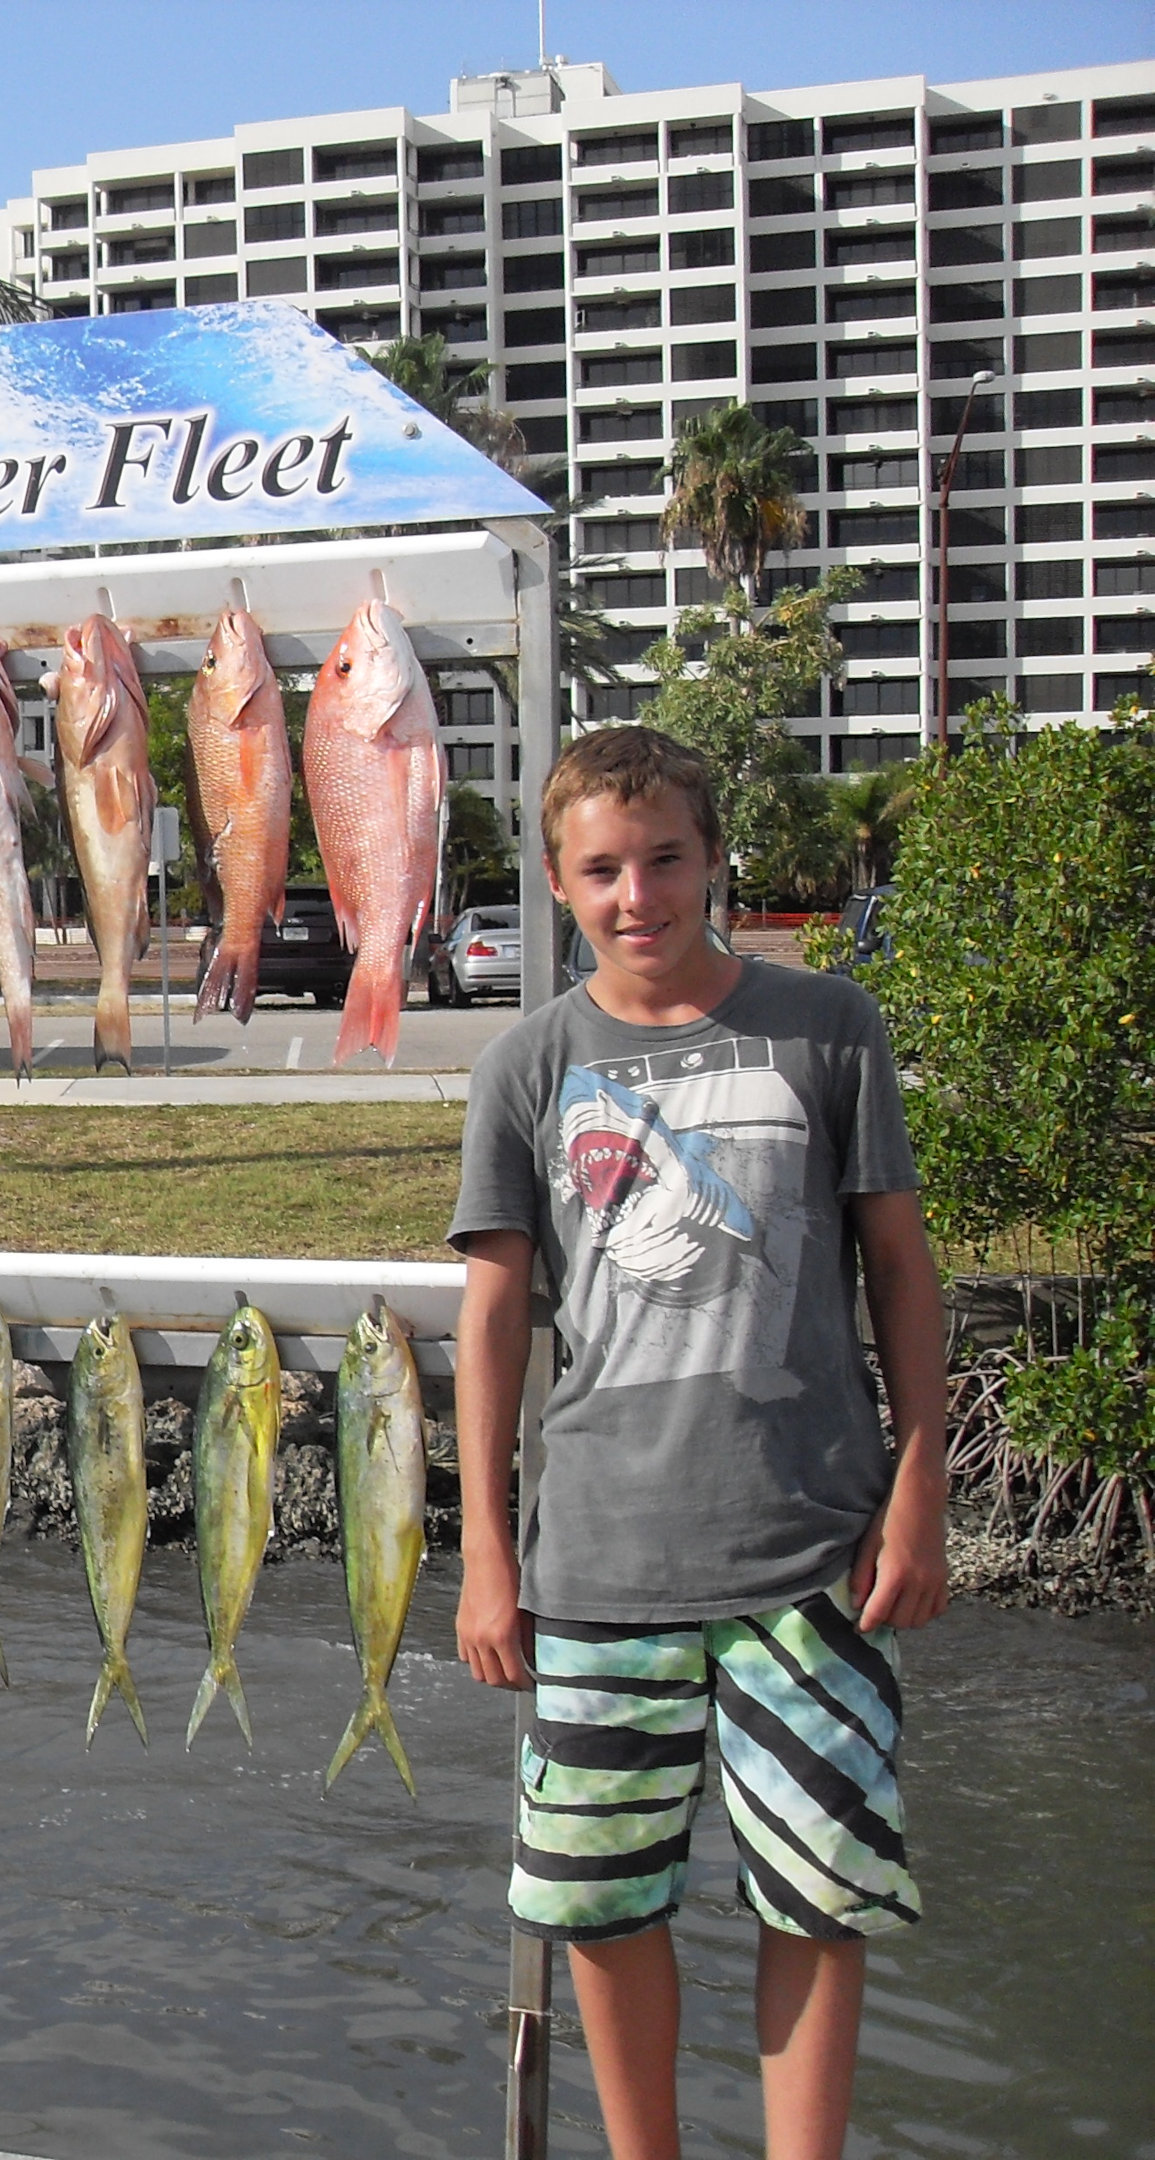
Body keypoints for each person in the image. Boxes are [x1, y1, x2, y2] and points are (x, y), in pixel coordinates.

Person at [450, 725, 948, 2160]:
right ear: (555, 881)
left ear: (715, 857)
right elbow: (494, 1324)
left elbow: (901, 1269)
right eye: (601, 868)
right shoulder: (527, 1066)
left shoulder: (829, 1027)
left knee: (821, 1894)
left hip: (814, 1554)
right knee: (599, 1900)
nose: (638, 895)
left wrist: (919, 1486)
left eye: (666, 859)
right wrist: (489, 1552)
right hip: (598, 1565)